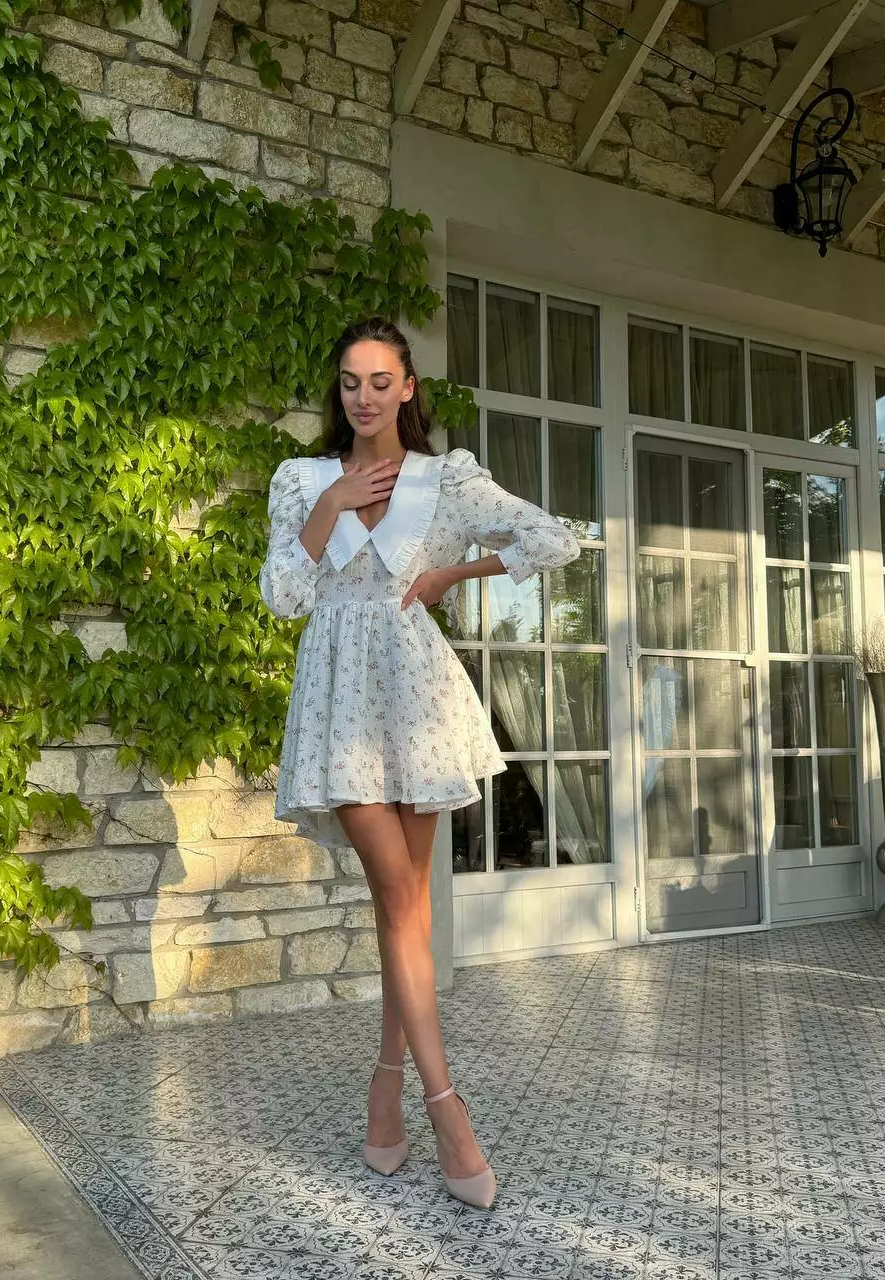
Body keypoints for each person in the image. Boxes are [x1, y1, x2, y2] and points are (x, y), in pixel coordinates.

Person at [258, 317, 580, 1210]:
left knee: (407, 910)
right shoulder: (302, 480)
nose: (364, 396)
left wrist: (451, 577)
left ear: (407, 388)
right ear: (340, 391)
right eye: (350, 381)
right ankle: (447, 1109)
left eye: (380, 380)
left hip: (419, 699)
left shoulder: (449, 480)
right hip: (339, 706)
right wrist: (332, 502)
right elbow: (284, 595)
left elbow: (553, 538)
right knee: (399, 900)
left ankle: (386, 1091)